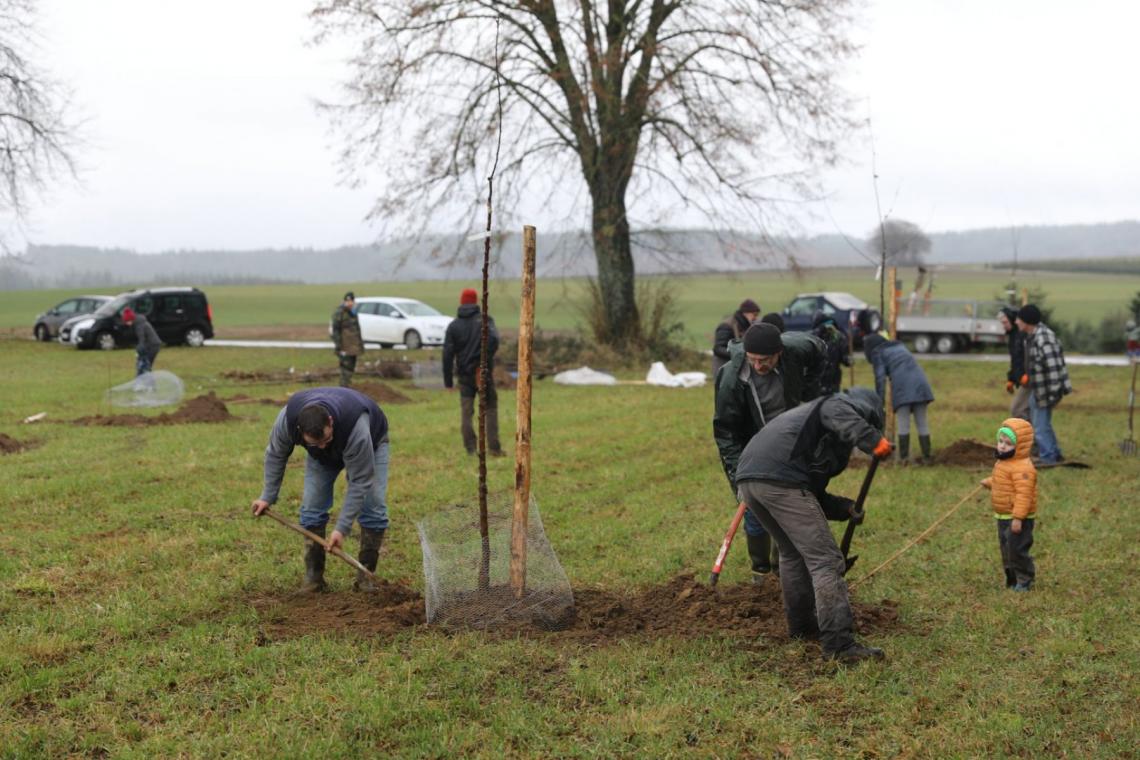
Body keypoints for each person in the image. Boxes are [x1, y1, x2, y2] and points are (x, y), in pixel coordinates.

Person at [734, 387, 893, 663]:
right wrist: (872, 439)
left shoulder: (818, 431)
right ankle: (839, 646)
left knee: (792, 553)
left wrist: (844, 508)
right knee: (827, 561)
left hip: (751, 481)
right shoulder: (837, 405)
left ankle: (802, 627)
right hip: (778, 479)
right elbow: (835, 410)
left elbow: (811, 493)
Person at [713, 321, 827, 582]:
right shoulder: (732, 379)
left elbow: (820, 349)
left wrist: (810, 390)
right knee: (753, 506)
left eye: (764, 360)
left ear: (779, 353)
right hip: (752, 443)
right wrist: (737, 479)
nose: (758, 366)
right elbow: (726, 433)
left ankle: (782, 569)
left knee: (788, 502)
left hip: (790, 441)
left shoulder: (797, 349)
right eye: (753, 360)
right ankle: (760, 572)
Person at [251, 387, 390, 593]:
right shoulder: (287, 422)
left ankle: (365, 578)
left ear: (330, 423)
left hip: (372, 444)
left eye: (326, 439)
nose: (323, 446)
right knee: (312, 508)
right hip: (322, 461)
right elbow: (275, 455)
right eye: (316, 443)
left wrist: (341, 528)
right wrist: (267, 496)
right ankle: (314, 579)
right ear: (300, 431)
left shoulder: (356, 428)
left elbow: (360, 481)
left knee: (373, 506)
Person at [443, 288, 504, 456]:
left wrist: (448, 382)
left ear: (461, 302)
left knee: (466, 413)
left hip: (464, 376)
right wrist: (482, 360)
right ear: (476, 301)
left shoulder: (453, 326)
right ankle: (494, 448)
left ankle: (471, 449)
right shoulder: (485, 321)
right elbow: (494, 341)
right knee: (490, 409)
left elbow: (447, 354)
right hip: (483, 374)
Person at [980, 418, 1037, 591]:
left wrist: (1018, 518)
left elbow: (1023, 494)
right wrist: (991, 482)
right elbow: (1004, 482)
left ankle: (1025, 578)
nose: (1003, 446)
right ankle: (1012, 579)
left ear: (1020, 446)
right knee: (1006, 549)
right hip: (1003, 515)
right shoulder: (1005, 462)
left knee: (1017, 549)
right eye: (1000, 441)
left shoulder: (1023, 468)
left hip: (1018, 517)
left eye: (1008, 443)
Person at [862, 334, 936, 464]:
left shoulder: (878, 353)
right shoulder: (900, 346)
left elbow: (880, 379)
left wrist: (879, 402)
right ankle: (927, 457)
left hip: (903, 388)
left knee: (903, 424)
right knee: (922, 423)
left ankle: (904, 459)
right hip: (921, 385)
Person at [1015, 304, 1071, 465]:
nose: (1017, 322)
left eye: (1019, 319)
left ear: (1027, 321)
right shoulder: (1033, 335)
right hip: (1039, 389)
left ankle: (1048, 457)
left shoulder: (1044, 338)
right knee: (1042, 423)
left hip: (1046, 390)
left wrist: (1054, 393)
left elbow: (1054, 367)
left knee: (1039, 426)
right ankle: (1055, 453)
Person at [712, 298, 759, 376]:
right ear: (745, 313)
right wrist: (740, 354)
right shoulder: (726, 326)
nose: (755, 318)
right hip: (723, 368)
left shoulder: (745, 326)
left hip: (736, 368)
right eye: (754, 314)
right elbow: (718, 349)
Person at [998, 307, 1030, 422]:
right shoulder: (1012, 336)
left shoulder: (1023, 335)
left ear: (1012, 320)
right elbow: (1015, 360)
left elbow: (1026, 357)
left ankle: (1027, 436)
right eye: (1002, 323)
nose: (1004, 325)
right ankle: (1031, 437)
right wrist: (1011, 379)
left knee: (1017, 410)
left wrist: (1026, 374)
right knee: (1025, 411)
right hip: (1022, 379)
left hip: (1029, 380)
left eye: (1005, 322)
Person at [812, 311, 851, 395]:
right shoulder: (840, 336)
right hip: (827, 381)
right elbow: (847, 361)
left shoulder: (838, 337)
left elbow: (846, 361)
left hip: (827, 381)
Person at [331, 291, 364, 387]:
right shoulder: (340, 313)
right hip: (344, 347)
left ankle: (347, 387)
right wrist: (338, 346)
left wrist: (360, 346)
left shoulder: (353, 313)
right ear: (344, 301)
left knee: (351, 369)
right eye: (347, 301)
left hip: (353, 347)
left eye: (351, 301)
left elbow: (357, 331)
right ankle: (343, 389)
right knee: (345, 370)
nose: (349, 303)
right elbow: (335, 330)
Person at [121, 307, 161, 381]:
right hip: (152, 345)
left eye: (127, 321)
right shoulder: (138, 322)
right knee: (145, 366)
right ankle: (144, 383)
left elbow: (142, 339)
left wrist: (138, 351)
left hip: (153, 346)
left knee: (145, 366)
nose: (126, 323)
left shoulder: (139, 325)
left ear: (130, 319)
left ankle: (149, 386)